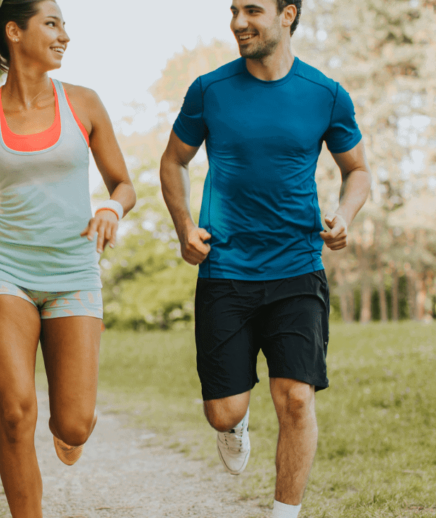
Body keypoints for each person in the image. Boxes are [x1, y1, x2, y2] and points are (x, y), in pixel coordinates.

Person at [0, 1, 135, 516]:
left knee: (73, 423)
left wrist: (109, 209)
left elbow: (123, 184)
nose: (65, 36)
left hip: (74, 271)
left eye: (64, 25)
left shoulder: (84, 104)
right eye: (52, 24)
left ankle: (72, 429)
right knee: (14, 414)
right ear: (15, 32)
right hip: (6, 271)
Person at [159, 1, 371, 517]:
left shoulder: (325, 94)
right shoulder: (210, 90)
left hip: (297, 266)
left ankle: (284, 513)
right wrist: (185, 226)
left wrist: (344, 213)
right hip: (226, 269)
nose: (237, 22)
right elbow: (173, 161)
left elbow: (358, 170)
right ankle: (235, 423)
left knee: (297, 398)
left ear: (288, 15)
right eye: (233, 11)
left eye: (252, 10)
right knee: (222, 410)